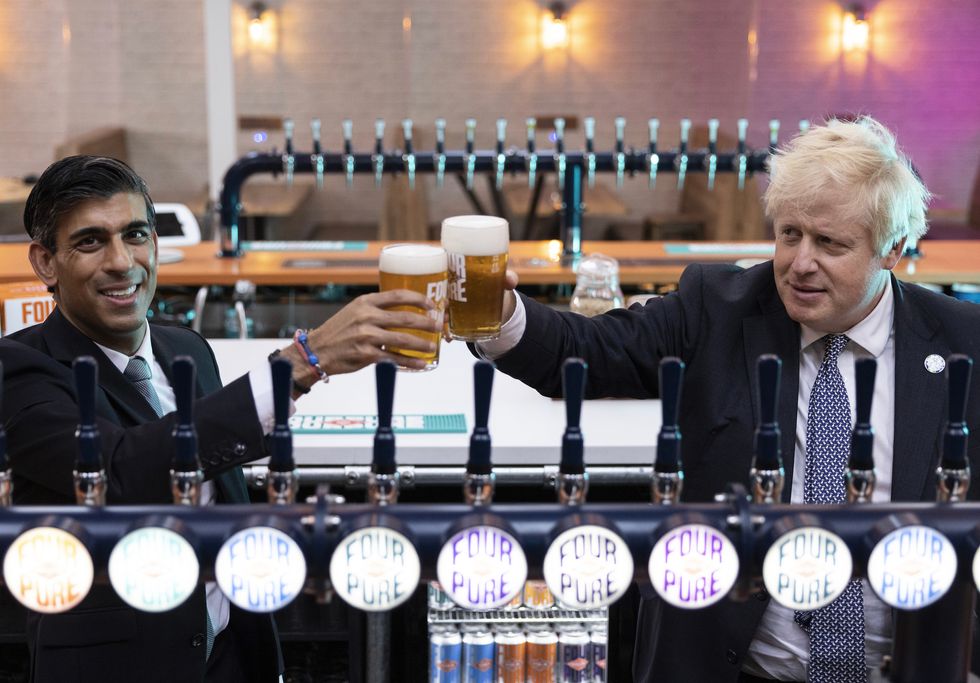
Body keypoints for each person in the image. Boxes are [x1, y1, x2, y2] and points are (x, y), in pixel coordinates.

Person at [474, 116, 980, 682]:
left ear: (893, 249)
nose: (800, 263)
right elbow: (588, 350)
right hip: (736, 669)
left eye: (830, 243)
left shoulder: (965, 344)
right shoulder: (717, 307)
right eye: (790, 234)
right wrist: (500, 317)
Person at [0, 155, 439, 682]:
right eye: (90, 242)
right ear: (45, 263)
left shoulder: (186, 347)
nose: (121, 261)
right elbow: (120, 473)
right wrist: (301, 363)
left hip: (231, 653)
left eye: (135, 235)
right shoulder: (21, 368)